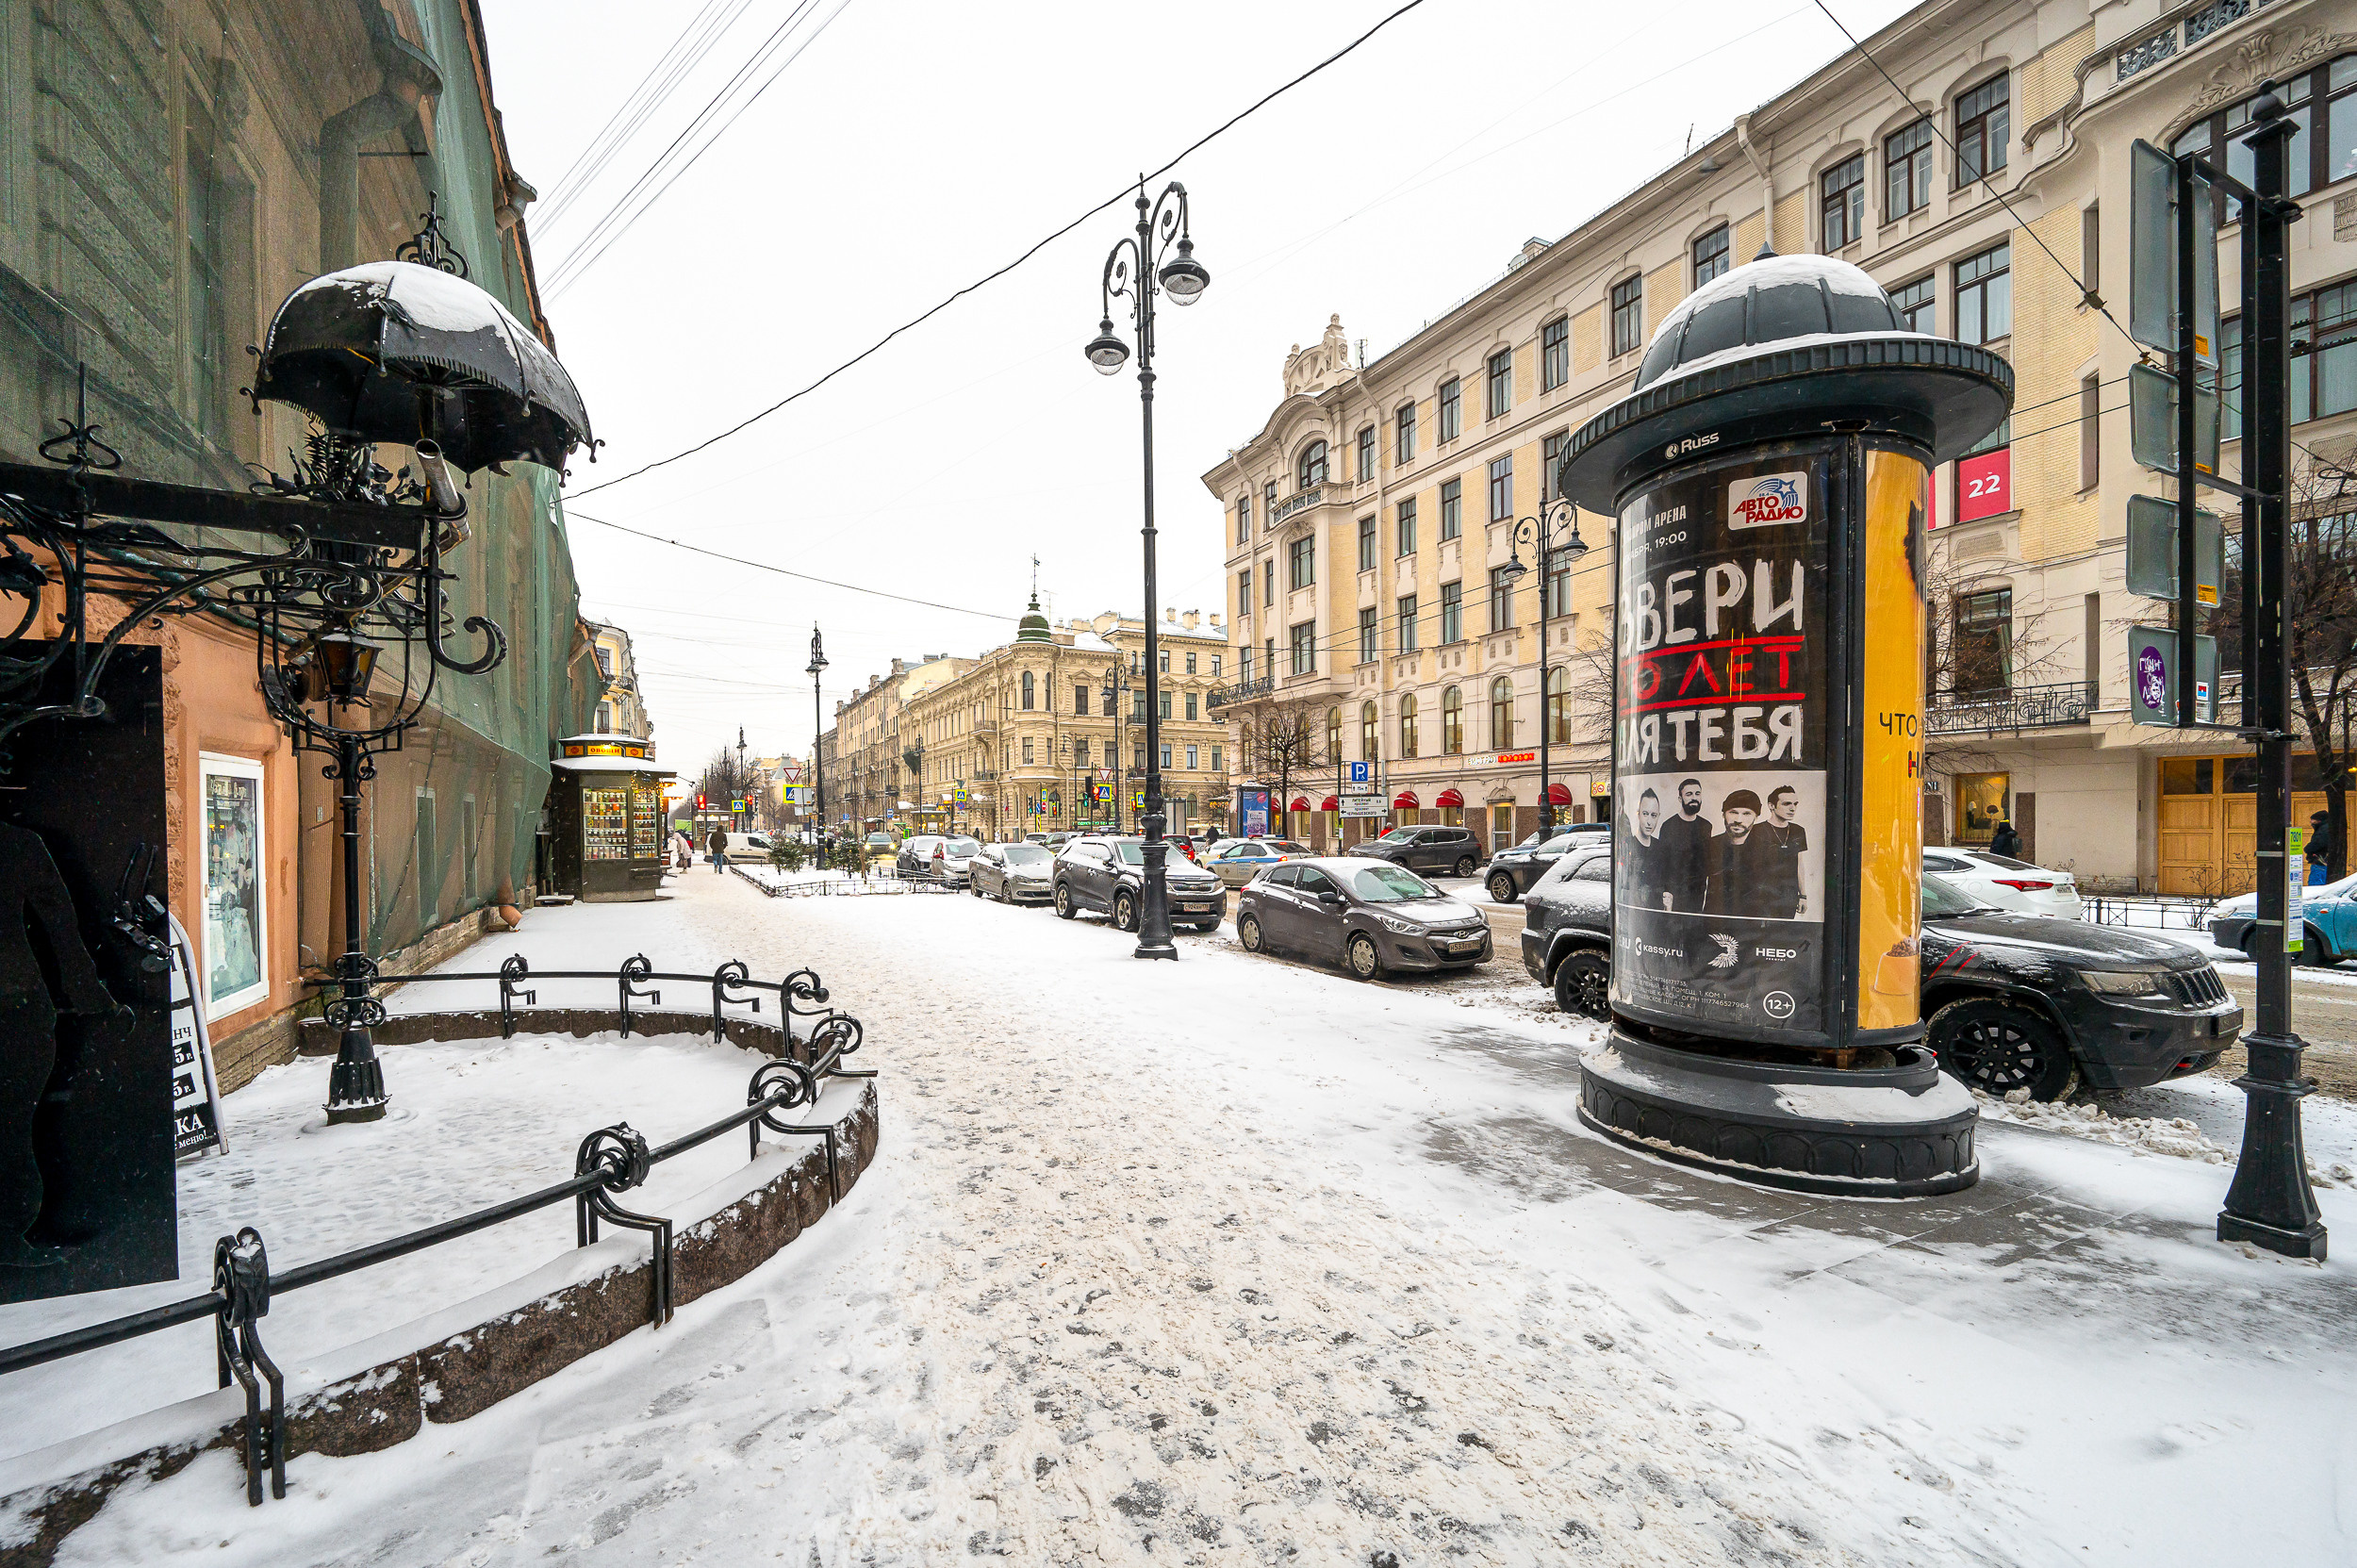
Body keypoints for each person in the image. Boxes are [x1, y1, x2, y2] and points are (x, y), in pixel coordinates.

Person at [1705, 789, 1780, 917]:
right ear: (1723, 814)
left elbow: (1773, 896)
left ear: (1756, 817)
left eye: (1746, 813)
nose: (1738, 820)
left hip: (1752, 928)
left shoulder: (1768, 850)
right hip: (1715, 923)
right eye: (1733, 812)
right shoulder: (1709, 846)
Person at [1656, 778, 1716, 912]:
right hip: (1674, 894)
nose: (1694, 798)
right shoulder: (1668, 826)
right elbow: (1662, 864)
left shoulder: (1706, 826)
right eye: (1689, 794)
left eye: (1697, 793)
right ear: (1680, 798)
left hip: (1698, 894)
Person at [1760, 784, 1810, 918]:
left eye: (1795, 804)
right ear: (1771, 806)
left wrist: (1803, 896)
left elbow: (1799, 864)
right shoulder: (1757, 830)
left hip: (1789, 897)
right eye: (1786, 804)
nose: (1792, 808)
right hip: (1762, 897)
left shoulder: (1798, 831)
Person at [1624, 789, 1665, 910]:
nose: (1649, 822)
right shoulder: (1629, 846)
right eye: (1645, 814)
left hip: (1656, 917)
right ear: (1638, 814)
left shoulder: (1660, 847)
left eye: (1653, 815)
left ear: (1658, 816)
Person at [2309, 811, 2336, 885]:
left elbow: (2317, 844)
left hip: (2320, 862)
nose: (2311, 822)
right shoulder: (2328, 828)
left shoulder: (2323, 830)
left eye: (2313, 820)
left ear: (2319, 820)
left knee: (2316, 886)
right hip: (2323, 861)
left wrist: (2308, 849)